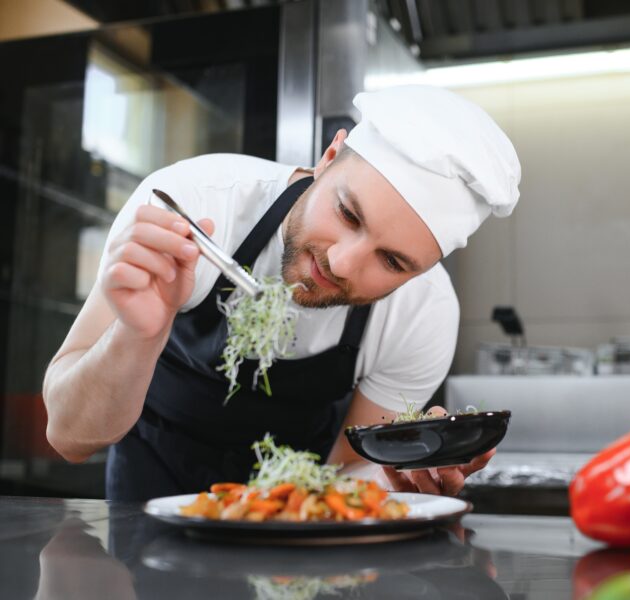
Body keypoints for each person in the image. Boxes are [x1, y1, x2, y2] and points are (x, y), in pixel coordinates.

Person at [42, 85, 521, 501]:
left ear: (419, 273)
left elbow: (347, 473)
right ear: (327, 159)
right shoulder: (193, 205)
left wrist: (403, 473)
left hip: (299, 536)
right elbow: (69, 437)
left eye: (392, 262)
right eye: (349, 215)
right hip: (145, 513)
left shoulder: (423, 314)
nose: (341, 263)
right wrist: (137, 333)